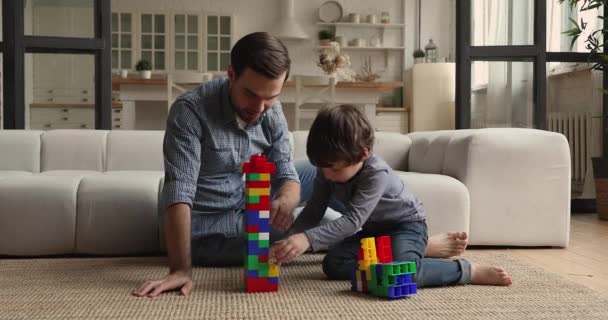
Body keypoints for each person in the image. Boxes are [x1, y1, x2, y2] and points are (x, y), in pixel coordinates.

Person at [132, 32, 473, 298]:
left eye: (272, 97)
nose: (262, 106)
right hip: (212, 227)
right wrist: (180, 268)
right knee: (297, 234)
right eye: (252, 95)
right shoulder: (190, 112)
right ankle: (399, 245)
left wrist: (286, 198)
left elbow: (288, 174)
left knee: (321, 170)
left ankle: (396, 241)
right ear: (231, 75)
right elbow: (179, 194)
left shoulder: (268, 107)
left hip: (253, 199)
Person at [270, 104, 512, 288]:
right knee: (333, 264)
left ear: (363, 155)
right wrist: (290, 238)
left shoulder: (375, 173)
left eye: (334, 168)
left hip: (406, 227)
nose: (326, 174)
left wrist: (307, 240)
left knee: (403, 272)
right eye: (322, 167)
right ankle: (412, 253)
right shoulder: (327, 169)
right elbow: (314, 210)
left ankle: (466, 271)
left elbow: (354, 220)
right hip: (374, 233)